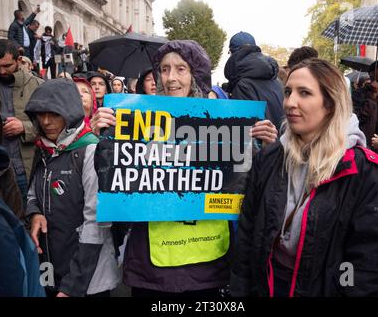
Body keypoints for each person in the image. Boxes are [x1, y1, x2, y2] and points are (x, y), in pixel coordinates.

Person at [91, 40, 278, 296]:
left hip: (207, 263)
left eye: (181, 69)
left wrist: (266, 149)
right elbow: (112, 180)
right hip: (151, 263)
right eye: (165, 69)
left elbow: (248, 185)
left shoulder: (224, 120)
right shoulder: (137, 118)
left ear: (196, 75)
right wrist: (104, 139)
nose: (170, 78)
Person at [230, 58, 378, 297]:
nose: (290, 102)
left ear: (331, 102)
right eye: (288, 92)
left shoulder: (363, 171)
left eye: (304, 93)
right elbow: (248, 234)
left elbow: (366, 263)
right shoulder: (270, 158)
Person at [25, 79, 120, 297]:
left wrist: (72, 287)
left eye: (54, 114)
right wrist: (35, 213)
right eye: (41, 114)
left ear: (69, 113)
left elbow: (95, 223)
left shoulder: (91, 151)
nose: (46, 121)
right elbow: (32, 194)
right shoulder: (43, 151)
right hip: (51, 266)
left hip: (88, 278)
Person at [0, 39, 43, 208]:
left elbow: (55, 127)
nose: (2, 71)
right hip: (1, 170)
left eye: (7, 66)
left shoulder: (37, 86)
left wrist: (24, 127)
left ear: (19, 61)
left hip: (28, 169)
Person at [224, 31, 284, 132]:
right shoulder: (277, 81)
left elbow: (247, 132)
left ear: (232, 53)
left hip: (266, 146)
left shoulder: (242, 86)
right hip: (284, 144)